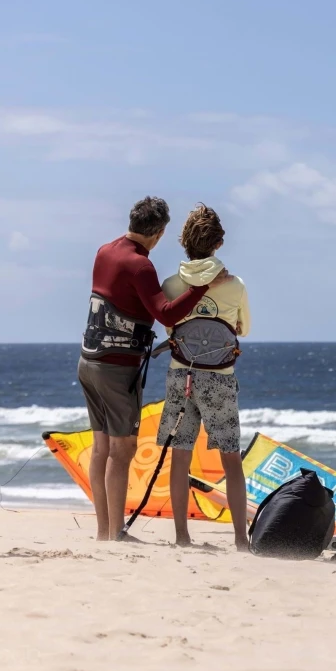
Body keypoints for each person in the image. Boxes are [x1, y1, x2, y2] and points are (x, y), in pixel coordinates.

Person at [79, 196, 228, 541]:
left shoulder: (105, 251)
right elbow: (167, 314)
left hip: (88, 361)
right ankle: (114, 532)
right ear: (159, 234)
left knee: (101, 449)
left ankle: (104, 530)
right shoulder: (140, 265)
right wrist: (203, 287)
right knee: (122, 451)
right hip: (116, 369)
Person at [157, 203, 251, 551]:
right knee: (231, 457)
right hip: (220, 379)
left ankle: (182, 537)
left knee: (180, 455)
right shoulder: (235, 284)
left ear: (184, 242)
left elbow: (170, 326)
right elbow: (247, 328)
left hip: (181, 375)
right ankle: (241, 541)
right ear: (218, 244)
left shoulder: (170, 284)